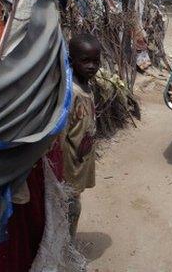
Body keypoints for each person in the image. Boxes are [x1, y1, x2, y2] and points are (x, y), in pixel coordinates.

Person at [63, 32, 101, 238]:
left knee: (74, 201)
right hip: (69, 164)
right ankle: (66, 247)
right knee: (70, 207)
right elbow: (61, 133)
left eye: (96, 61)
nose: (92, 66)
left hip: (80, 160)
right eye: (85, 61)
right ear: (72, 60)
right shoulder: (72, 93)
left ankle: (68, 243)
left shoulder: (86, 86)